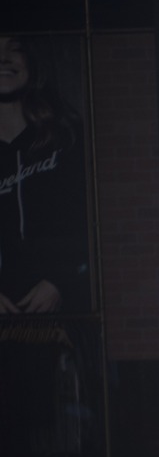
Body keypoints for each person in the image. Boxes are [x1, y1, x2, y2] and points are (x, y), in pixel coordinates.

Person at [0, 36, 90, 314]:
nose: (4, 57)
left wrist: (60, 282)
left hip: (61, 310)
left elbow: (92, 221)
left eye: (15, 48)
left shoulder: (68, 136)